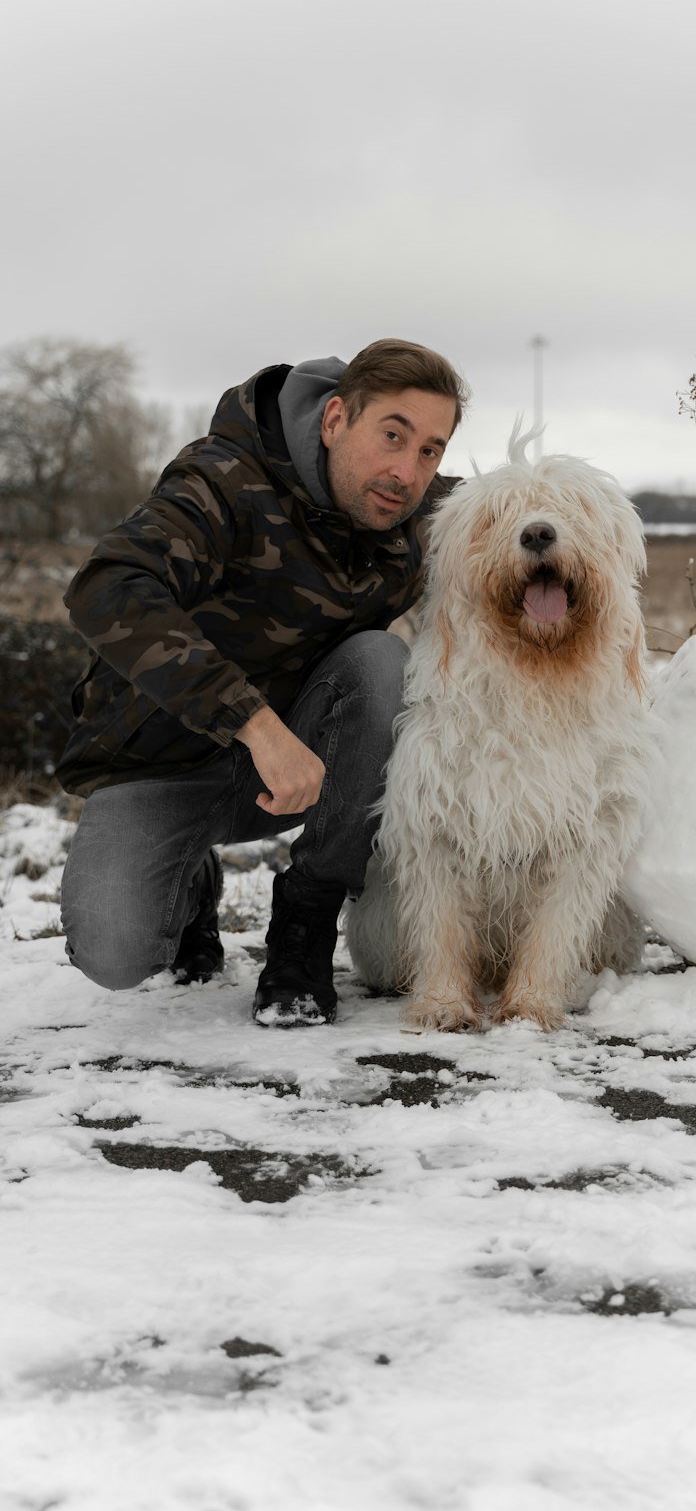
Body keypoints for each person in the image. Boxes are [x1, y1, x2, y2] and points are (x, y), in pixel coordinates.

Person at [58, 339, 467, 1026]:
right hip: (166, 761)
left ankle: (303, 926)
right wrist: (255, 724)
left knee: (379, 662)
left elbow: (515, 513)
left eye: (431, 450)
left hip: (300, 769)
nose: (407, 470)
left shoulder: (408, 520)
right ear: (335, 420)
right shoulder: (224, 480)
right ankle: (191, 882)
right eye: (392, 436)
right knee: (115, 953)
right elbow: (107, 589)